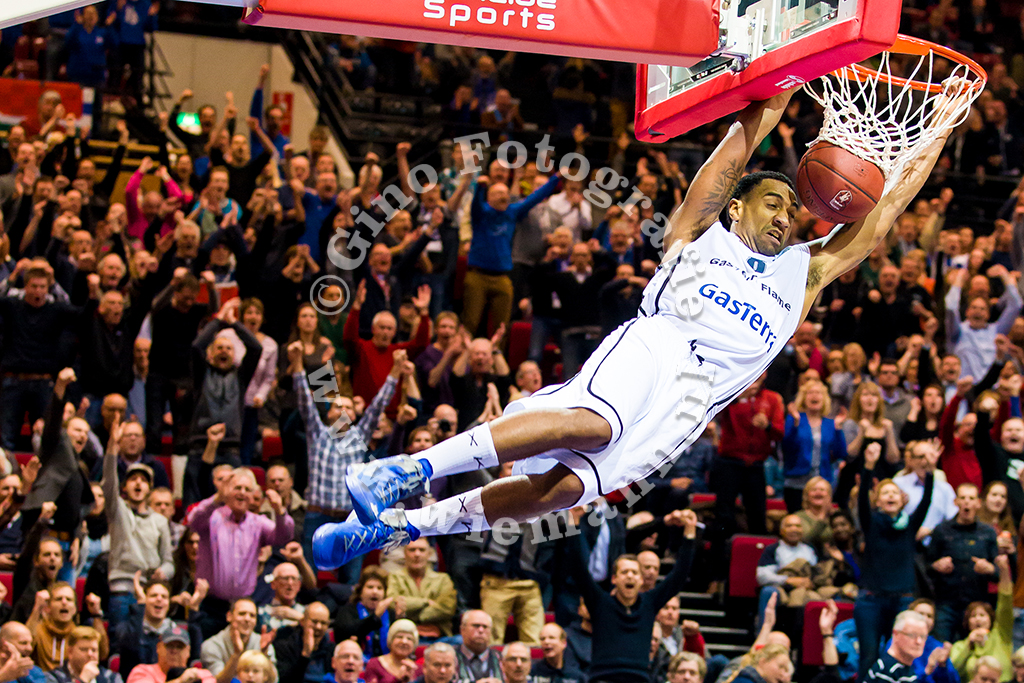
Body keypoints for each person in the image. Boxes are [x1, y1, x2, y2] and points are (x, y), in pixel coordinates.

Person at [314, 82, 963, 563]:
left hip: (691, 404)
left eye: (792, 211)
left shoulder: (807, 272)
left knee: (561, 491)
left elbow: (881, 215)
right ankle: (404, 469)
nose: (783, 216)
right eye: (773, 202)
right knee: (596, 423)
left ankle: (396, 526)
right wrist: (774, 92)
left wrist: (933, 131)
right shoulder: (702, 229)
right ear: (738, 207)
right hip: (659, 341)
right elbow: (733, 156)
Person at [856, 442, 935, 681]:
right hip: (871, 600)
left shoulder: (910, 526)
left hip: (902, 600)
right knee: (869, 656)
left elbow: (927, 500)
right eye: (884, 493)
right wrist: (869, 465)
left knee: (902, 656)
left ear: (902, 500)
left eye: (894, 492)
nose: (890, 495)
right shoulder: (872, 523)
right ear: (877, 501)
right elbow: (861, 501)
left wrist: (930, 470)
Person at [189, 469, 293, 637]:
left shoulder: (258, 523)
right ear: (227, 490)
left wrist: (280, 511)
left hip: (243, 608)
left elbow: (283, 536)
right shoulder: (213, 517)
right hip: (210, 607)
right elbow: (194, 520)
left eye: (247, 489)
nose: (242, 493)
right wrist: (217, 498)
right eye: (237, 488)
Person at [103, 421, 174, 628]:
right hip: (122, 591)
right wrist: (112, 449)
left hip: (150, 592)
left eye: (143, 480)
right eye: (132, 479)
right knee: (120, 644)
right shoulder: (118, 511)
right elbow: (108, 483)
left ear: (150, 488)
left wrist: (164, 572)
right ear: (125, 486)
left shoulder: (160, 521)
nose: (138, 483)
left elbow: (168, 560)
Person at [929, 483, 999, 642]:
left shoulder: (987, 532)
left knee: (978, 650)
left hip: (977, 606)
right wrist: (936, 566)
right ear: (956, 502)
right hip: (946, 603)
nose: (967, 502)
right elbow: (927, 566)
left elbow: (998, 574)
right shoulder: (941, 530)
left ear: (978, 503)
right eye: (963, 498)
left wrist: (989, 569)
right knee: (941, 648)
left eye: (971, 498)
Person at [781, 379, 846, 512]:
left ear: (824, 399)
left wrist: (838, 429)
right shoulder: (793, 419)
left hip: (822, 482)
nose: (814, 396)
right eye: (810, 393)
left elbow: (840, 453)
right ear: (804, 398)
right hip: (796, 481)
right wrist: (795, 424)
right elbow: (786, 448)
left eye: (818, 393)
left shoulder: (830, 424)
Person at [949, 555, 1014, 681]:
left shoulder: (1001, 636)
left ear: (991, 619)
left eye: (982, 615)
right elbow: (951, 672)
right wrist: (969, 644)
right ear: (967, 622)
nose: (978, 619)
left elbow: (1005, 604)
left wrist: (1004, 571)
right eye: (973, 616)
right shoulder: (959, 646)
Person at [386, 538, 457, 639]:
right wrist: (426, 602)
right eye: (412, 550)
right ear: (404, 554)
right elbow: (392, 604)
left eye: (422, 550)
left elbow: (447, 609)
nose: (417, 554)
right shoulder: (395, 577)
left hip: (440, 637)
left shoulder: (443, 579)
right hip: (405, 637)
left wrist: (413, 615)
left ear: (429, 554)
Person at [199, 598, 277, 683]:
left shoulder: (262, 643)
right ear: (229, 616)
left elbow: (275, 680)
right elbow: (217, 682)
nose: (247, 619)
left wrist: (264, 655)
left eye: (252, 615)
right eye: (242, 614)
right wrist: (236, 655)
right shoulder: (212, 646)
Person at [334, 567, 406, 658]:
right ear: (360, 592)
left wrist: (401, 618)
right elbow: (344, 633)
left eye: (379, 588)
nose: (375, 591)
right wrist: (375, 617)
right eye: (370, 587)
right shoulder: (348, 610)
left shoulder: (391, 613)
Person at [125, 623, 217, 683]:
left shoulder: (201, 675)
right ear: (158, 648)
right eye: (169, 646)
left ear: (188, 651)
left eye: (179, 647)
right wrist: (180, 681)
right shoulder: (142, 671)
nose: (174, 651)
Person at [271, 603, 334, 683]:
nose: (319, 627)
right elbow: (284, 680)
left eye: (323, 623)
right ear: (302, 622)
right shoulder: (285, 646)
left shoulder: (332, 650)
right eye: (314, 622)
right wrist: (305, 654)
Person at [866, 611, 931, 683]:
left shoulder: (904, 668)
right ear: (895, 634)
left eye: (923, 636)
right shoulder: (887, 671)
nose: (919, 641)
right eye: (912, 635)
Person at [44, 626, 121, 683]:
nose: (90, 654)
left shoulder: (111, 678)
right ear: (70, 652)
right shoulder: (53, 677)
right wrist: (83, 679)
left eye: (94, 650)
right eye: (84, 649)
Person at [453, 611, 502, 683]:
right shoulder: (449, 657)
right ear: (462, 630)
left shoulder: (501, 658)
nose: (481, 630)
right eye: (476, 626)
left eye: (485, 627)